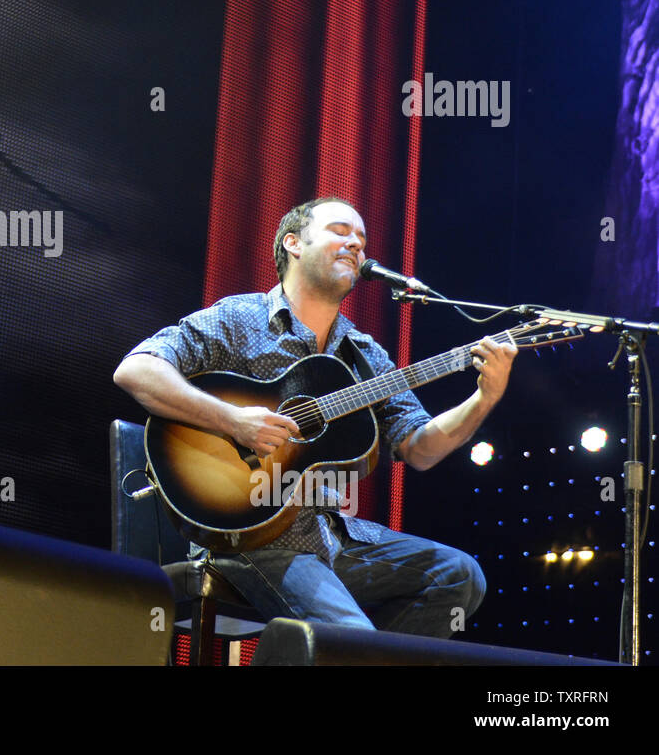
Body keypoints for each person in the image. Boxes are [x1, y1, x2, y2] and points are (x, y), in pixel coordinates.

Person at [113, 196, 516, 638]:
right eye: (340, 232)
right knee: (352, 640)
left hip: (332, 534)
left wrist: (484, 398)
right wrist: (232, 420)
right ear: (294, 243)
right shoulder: (238, 318)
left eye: (361, 240)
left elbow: (419, 449)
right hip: (253, 539)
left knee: (458, 575)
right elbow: (137, 370)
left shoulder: (365, 355)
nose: (356, 246)